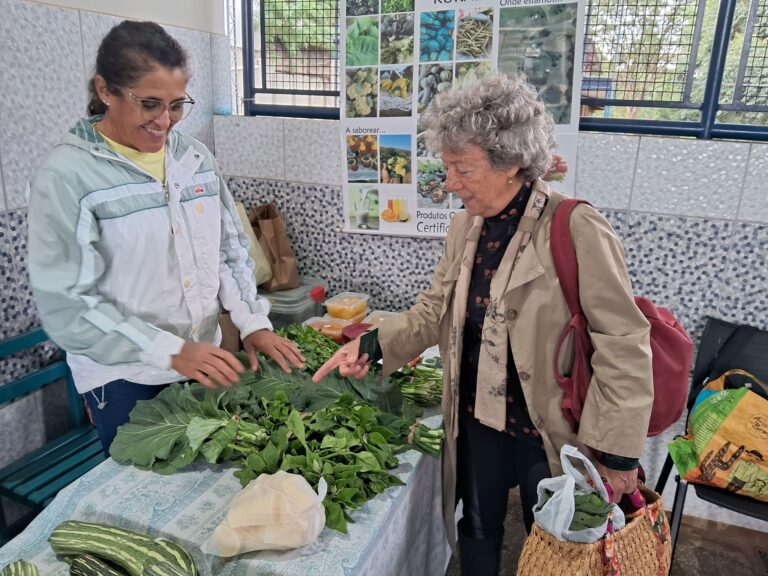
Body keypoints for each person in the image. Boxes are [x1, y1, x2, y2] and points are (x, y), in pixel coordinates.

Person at [313, 73, 653, 575]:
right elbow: (435, 310)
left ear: (511, 162)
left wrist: (619, 456)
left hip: (551, 429)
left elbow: (622, 341)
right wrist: (371, 347)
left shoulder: (574, 227)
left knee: (560, 549)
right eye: (447, 166)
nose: (449, 183)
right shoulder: (465, 226)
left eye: (462, 168)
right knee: (476, 526)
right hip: (480, 418)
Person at [27, 20, 304, 455]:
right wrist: (170, 351)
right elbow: (69, 306)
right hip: (124, 378)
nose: (164, 122)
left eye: (176, 105)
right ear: (105, 90)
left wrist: (253, 323)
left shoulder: (193, 159)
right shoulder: (68, 177)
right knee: (144, 490)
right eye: (149, 104)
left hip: (201, 360)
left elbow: (227, 251)